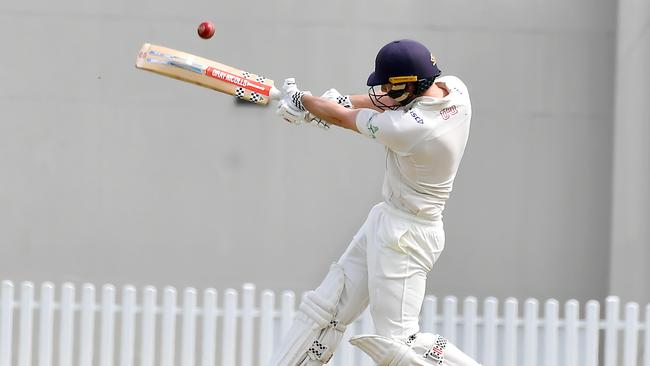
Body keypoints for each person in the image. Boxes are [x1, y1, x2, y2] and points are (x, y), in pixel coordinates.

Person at [270, 39, 480, 366]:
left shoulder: (411, 130)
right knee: (326, 308)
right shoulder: (453, 88)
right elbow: (378, 103)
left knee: (400, 343)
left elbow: (345, 118)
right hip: (390, 219)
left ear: (410, 85)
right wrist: (334, 101)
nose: (383, 91)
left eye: (389, 85)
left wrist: (304, 102)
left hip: (406, 236)